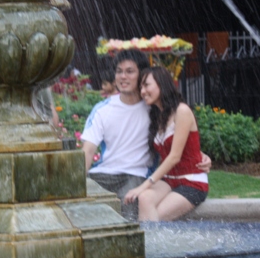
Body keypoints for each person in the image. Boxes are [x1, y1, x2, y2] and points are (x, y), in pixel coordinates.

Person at [81, 49, 210, 219]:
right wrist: (76, 184)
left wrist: (199, 155)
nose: (122, 77)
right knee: (80, 204)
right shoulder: (102, 110)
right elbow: (88, 151)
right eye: (119, 72)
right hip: (104, 174)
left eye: (129, 71)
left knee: (131, 212)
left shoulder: (154, 108)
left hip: (137, 175)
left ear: (141, 74)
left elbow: (178, 143)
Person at [123, 67, 208, 221]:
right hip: (169, 180)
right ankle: (150, 242)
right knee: (144, 198)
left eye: (146, 85)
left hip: (192, 182)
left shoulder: (182, 111)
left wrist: (144, 185)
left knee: (153, 217)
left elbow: (175, 156)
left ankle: (152, 244)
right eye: (141, 87)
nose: (143, 91)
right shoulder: (159, 115)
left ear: (161, 84)